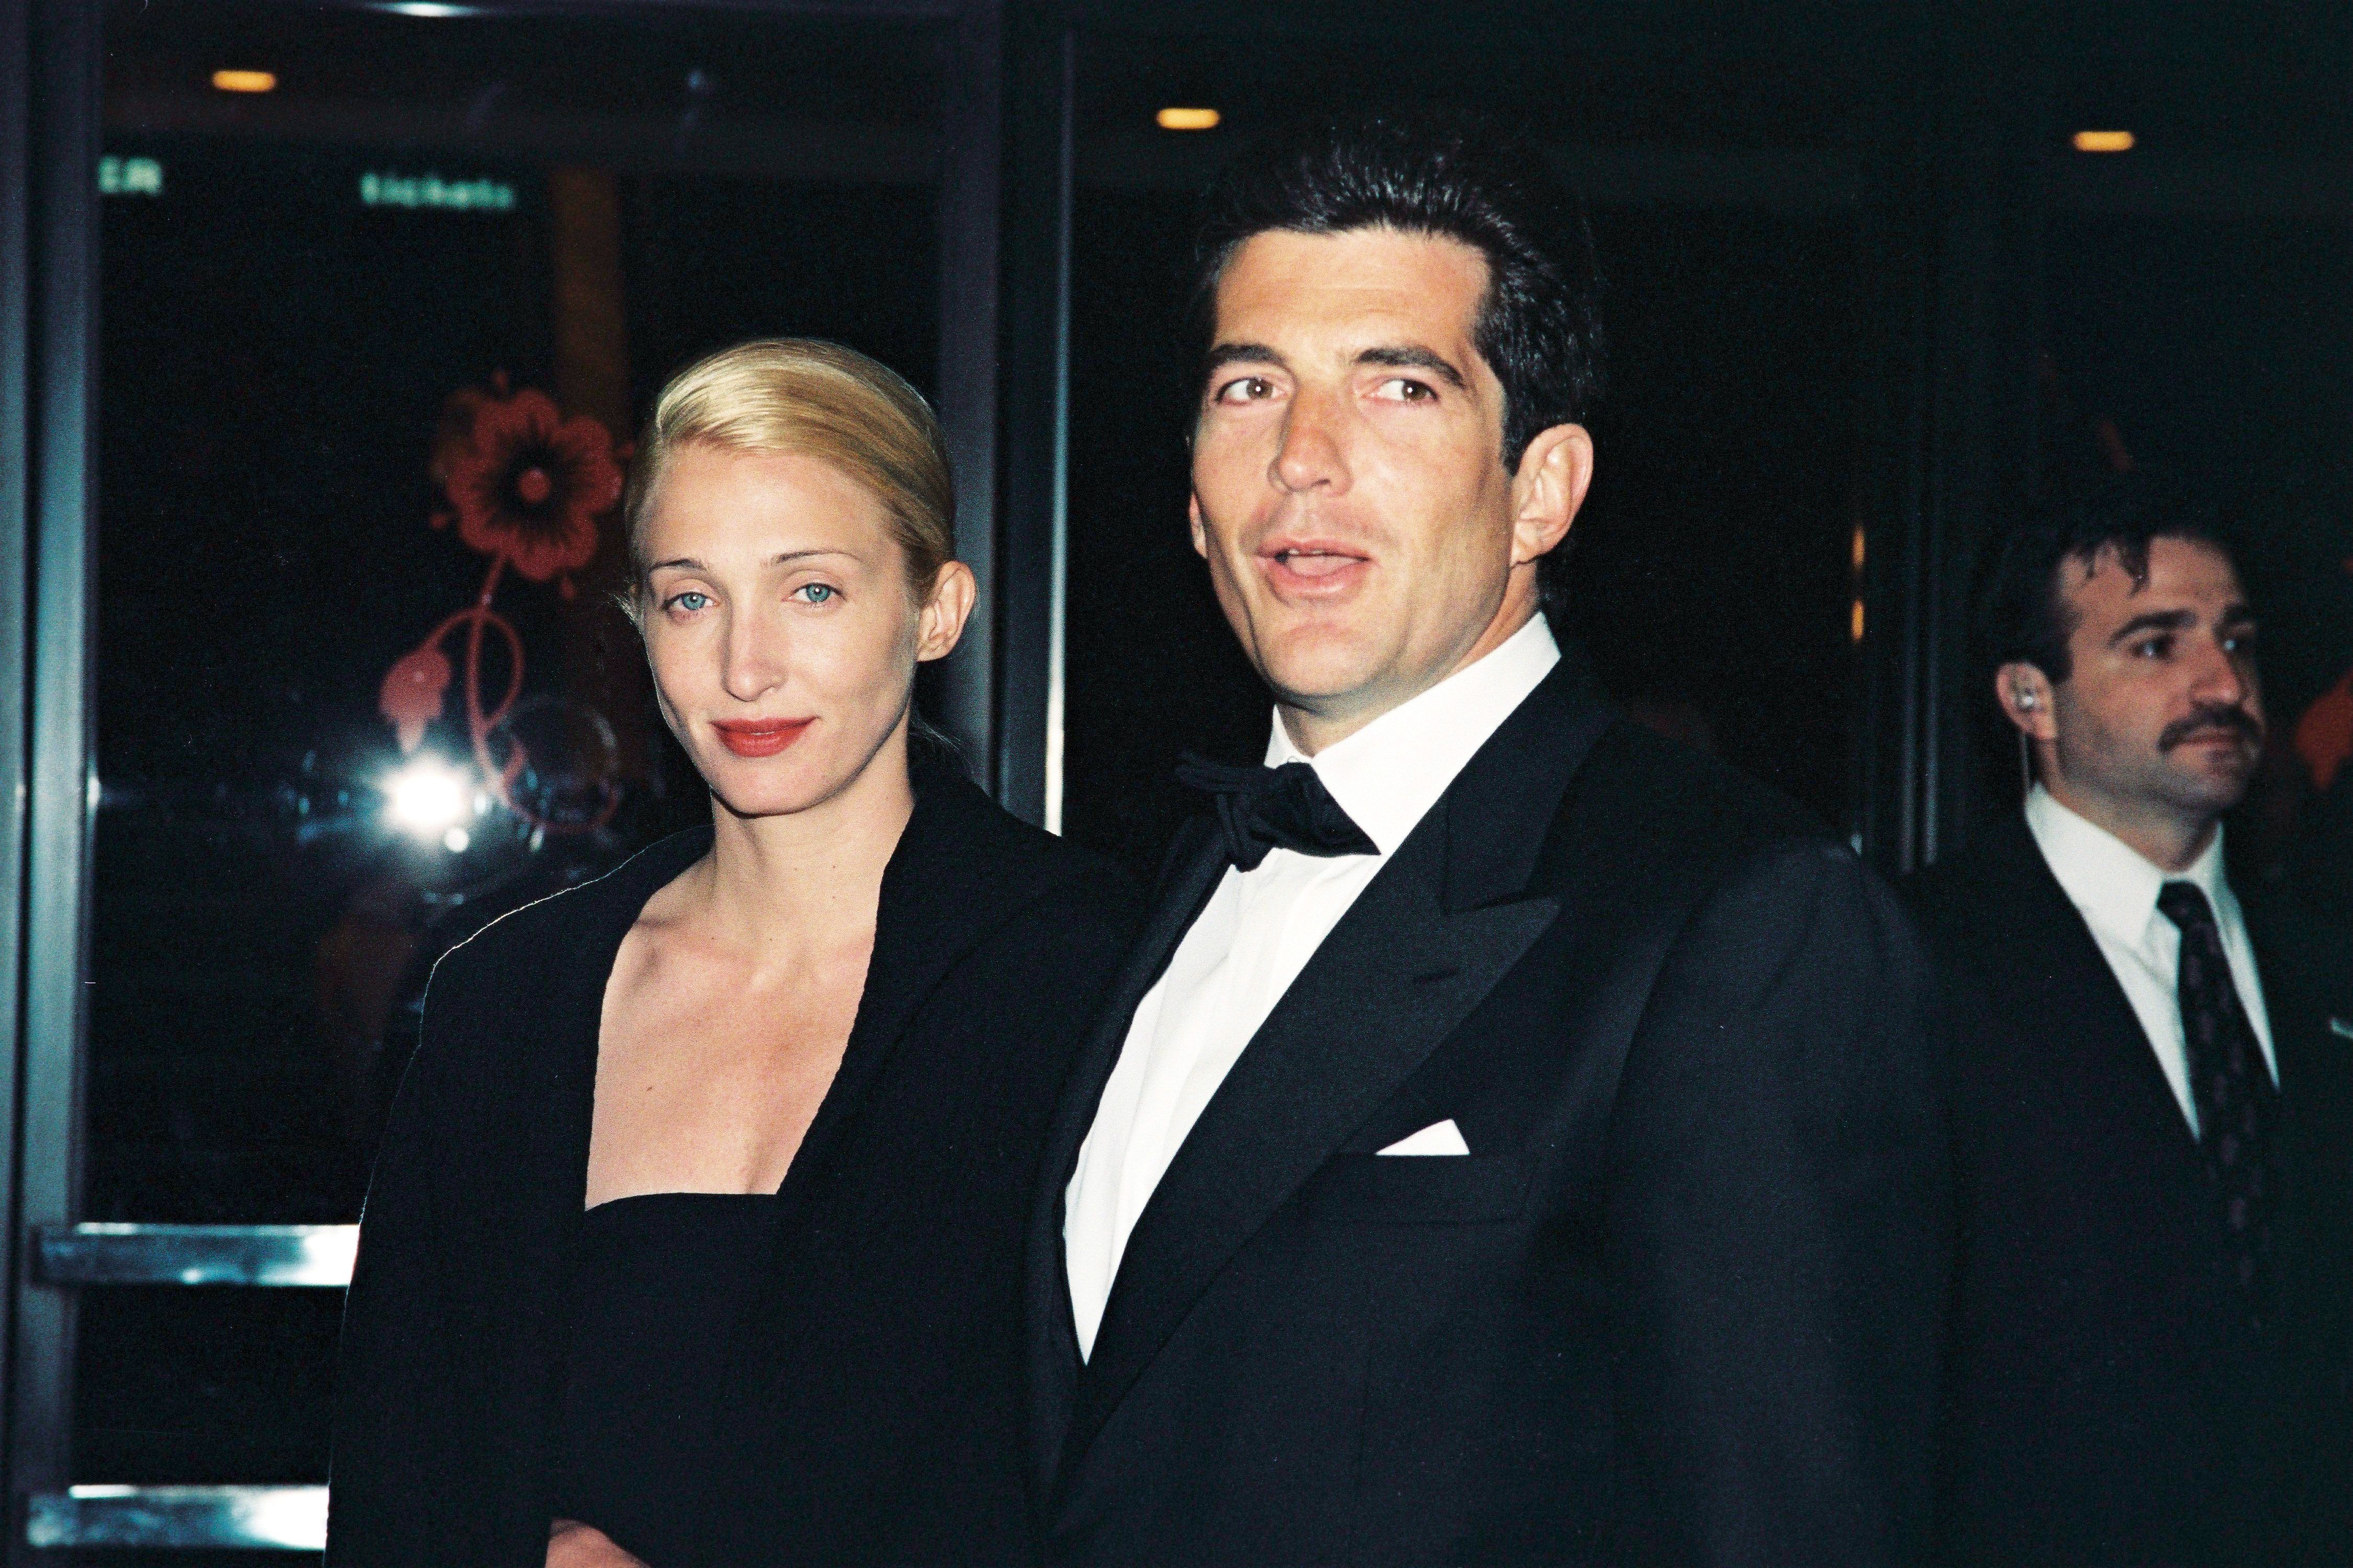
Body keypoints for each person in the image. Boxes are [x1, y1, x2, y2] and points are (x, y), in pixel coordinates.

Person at [1026, 111, 1950, 1566]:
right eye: (1248, 385)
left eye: (1397, 386)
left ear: (1541, 489)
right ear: (1193, 503)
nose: (1301, 460)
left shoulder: (1740, 922)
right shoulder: (1162, 882)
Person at [328, 339, 1139, 1567]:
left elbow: (1154, 1480)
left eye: (810, 590)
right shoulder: (510, 999)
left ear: (935, 612)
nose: (743, 666)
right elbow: (396, 1479)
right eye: (691, 597)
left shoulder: (1091, 977)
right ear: (639, 627)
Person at [1904, 475, 2353, 1566]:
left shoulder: (2327, 972)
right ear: (2029, 699)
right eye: (2156, 646)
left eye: (2236, 640)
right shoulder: (1911, 964)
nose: (2223, 683)